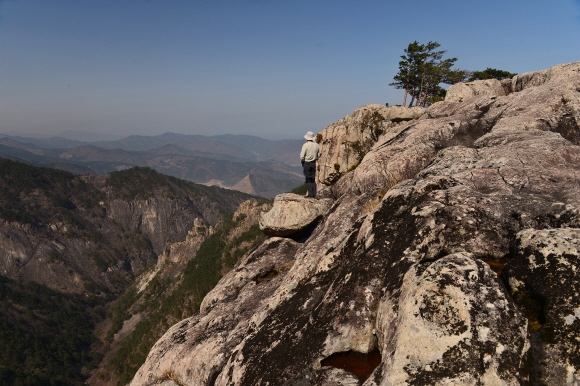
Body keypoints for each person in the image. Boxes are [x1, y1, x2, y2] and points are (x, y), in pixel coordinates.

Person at [300, 131, 320, 198]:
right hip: (313, 163)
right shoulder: (316, 145)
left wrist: (302, 161)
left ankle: (310, 194)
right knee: (313, 179)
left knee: (308, 179)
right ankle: (314, 194)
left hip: (307, 163)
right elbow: (318, 154)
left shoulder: (305, 145)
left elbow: (302, 156)